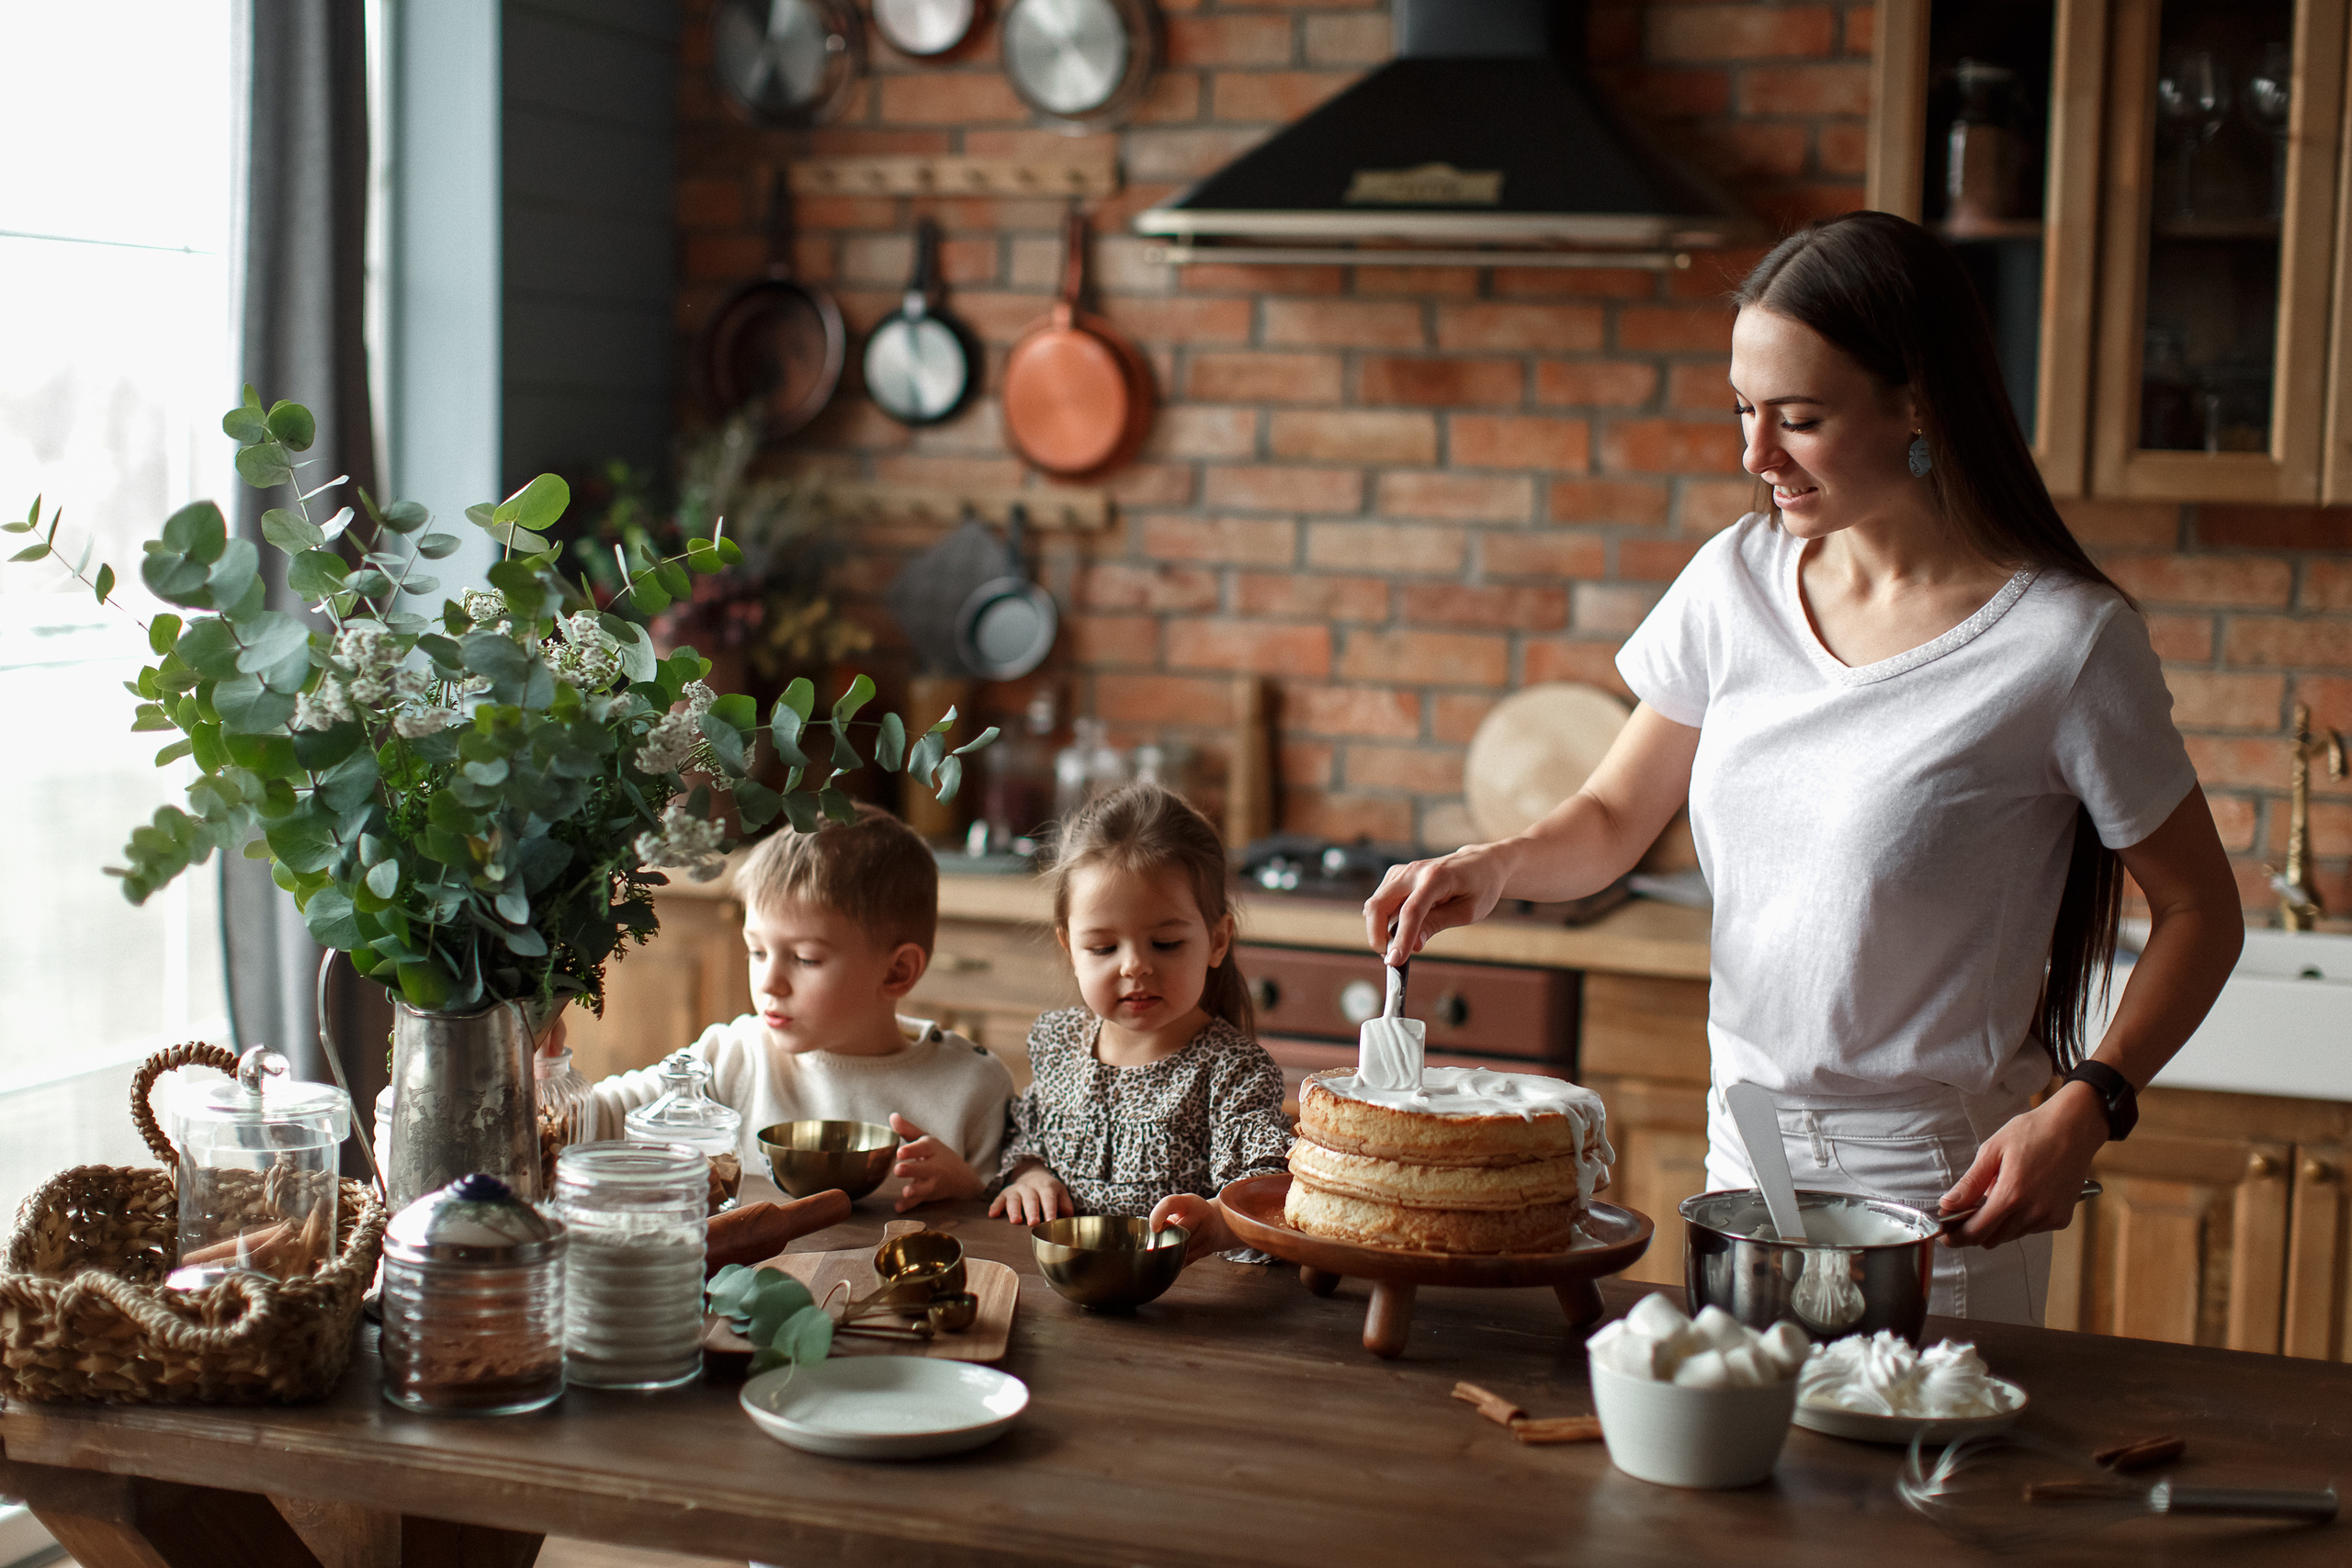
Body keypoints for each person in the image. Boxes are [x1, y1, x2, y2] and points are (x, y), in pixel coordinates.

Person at [1365, 211, 2243, 1324]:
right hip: (1748, 1153)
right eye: (1742, 410)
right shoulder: (1734, 579)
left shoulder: (2063, 645)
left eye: (1800, 418)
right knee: (1734, 1482)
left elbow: (2200, 911)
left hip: (1943, 1184)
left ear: (1916, 399)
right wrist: (1490, 867)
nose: (1753, 455)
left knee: (1910, 1496)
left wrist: (2088, 1103)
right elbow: (1609, 816)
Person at [586, 803, 1014, 1213]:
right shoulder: (736, 1056)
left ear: (897, 972)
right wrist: (542, 1077)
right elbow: (602, 1119)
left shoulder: (974, 1086)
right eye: (757, 951)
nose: (769, 983)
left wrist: (967, 1192)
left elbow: (1002, 1225)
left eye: (805, 958)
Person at [989, 781, 1292, 1246]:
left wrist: (1215, 1222)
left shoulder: (1233, 1073)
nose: (1134, 965)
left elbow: (1266, 1193)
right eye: (1103, 947)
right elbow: (1026, 1137)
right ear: (1070, 947)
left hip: (1188, 1300)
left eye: (1166, 943)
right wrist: (1029, 1176)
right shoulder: (1058, 1044)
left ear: (1216, 940)